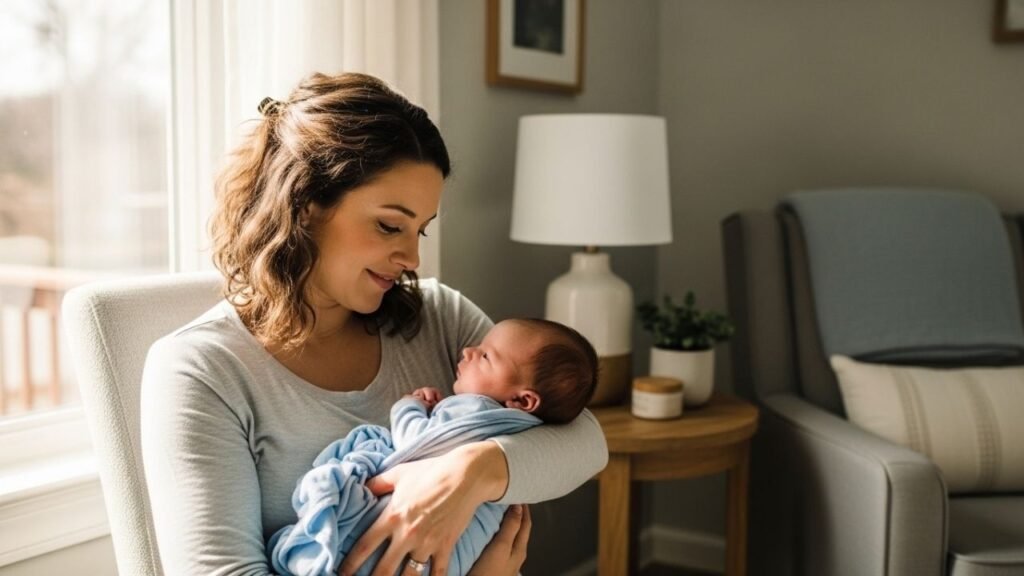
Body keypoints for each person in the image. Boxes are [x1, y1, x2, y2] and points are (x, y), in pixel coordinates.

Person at [139, 71, 608, 576]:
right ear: (304, 205)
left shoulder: (439, 318)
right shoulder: (201, 371)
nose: (411, 258)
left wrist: (470, 472)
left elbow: (585, 441)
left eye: (420, 231)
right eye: (390, 225)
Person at [270, 318, 599, 576]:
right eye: (388, 228)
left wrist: (408, 407)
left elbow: (414, 442)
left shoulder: (475, 408)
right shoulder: (521, 422)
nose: (468, 351)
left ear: (522, 400)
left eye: (485, 355)